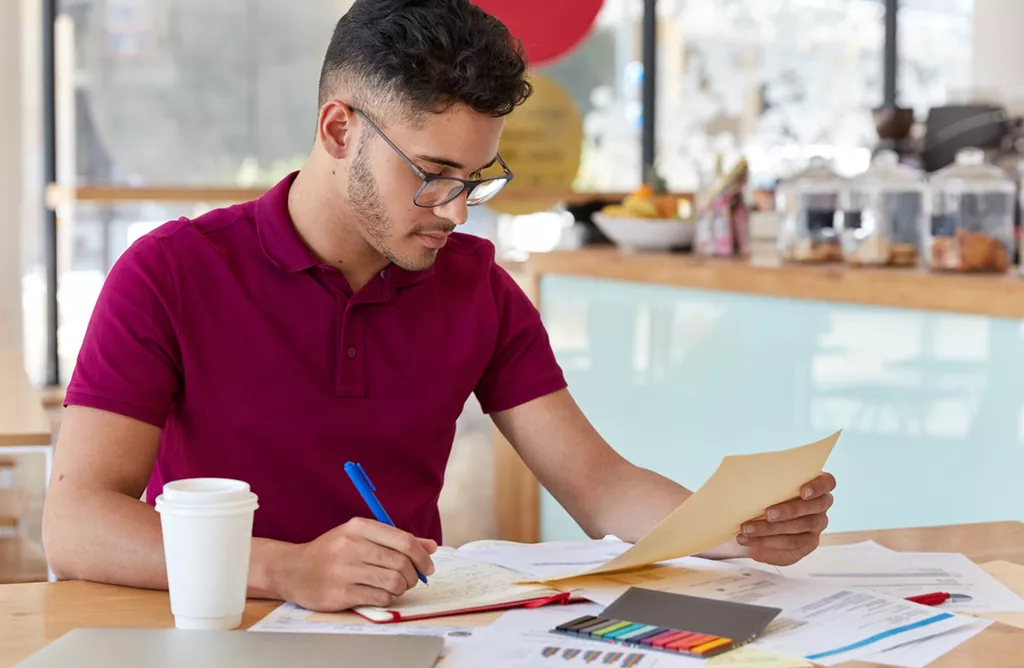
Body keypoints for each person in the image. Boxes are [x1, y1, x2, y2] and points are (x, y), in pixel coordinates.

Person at [42, 0, 836, 612]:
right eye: (431, 172)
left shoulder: (476, 286)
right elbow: (75, 523)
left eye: (476, 179)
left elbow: (598, 484)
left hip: (408, 633)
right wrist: (288, 567)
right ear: (337, 129)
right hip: (217, 633)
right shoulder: (171, 273)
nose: (455, 211)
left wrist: (734, 531)